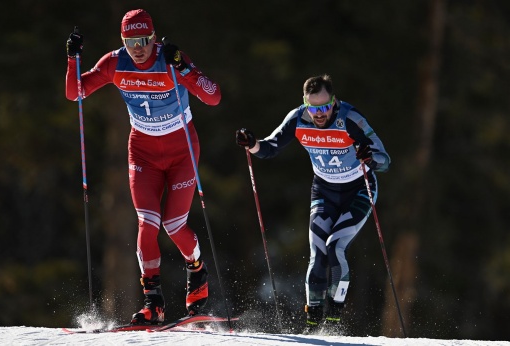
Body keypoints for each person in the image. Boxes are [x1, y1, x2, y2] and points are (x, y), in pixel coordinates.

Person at [65, 9, 220, 325]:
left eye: (144, 40)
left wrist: (183, 68)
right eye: (130, 40)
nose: (138, 47)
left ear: (153, 37)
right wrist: (72, 60)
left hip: (182, 151)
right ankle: (154, 303)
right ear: (123, 40)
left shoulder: (170, 58)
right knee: (147, 224)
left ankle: (197, 270)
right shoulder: (114, 62)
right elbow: (75, 93)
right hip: (143, 153)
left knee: (174, 226)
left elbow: (213, 96)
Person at [236, 74, 390, 333]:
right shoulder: (298, 119)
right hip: (325, 190)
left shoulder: (350, 119)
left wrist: (370, 158)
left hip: (359, 190)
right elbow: (270, 147)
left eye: (325, 106)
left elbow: (385, 160)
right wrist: (251, 145)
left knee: (335, 246)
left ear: (334, 101)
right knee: (318, 252)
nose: (319, 113)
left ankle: (334, 321)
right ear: (305, 104)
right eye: (313, 107)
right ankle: (313, 324)